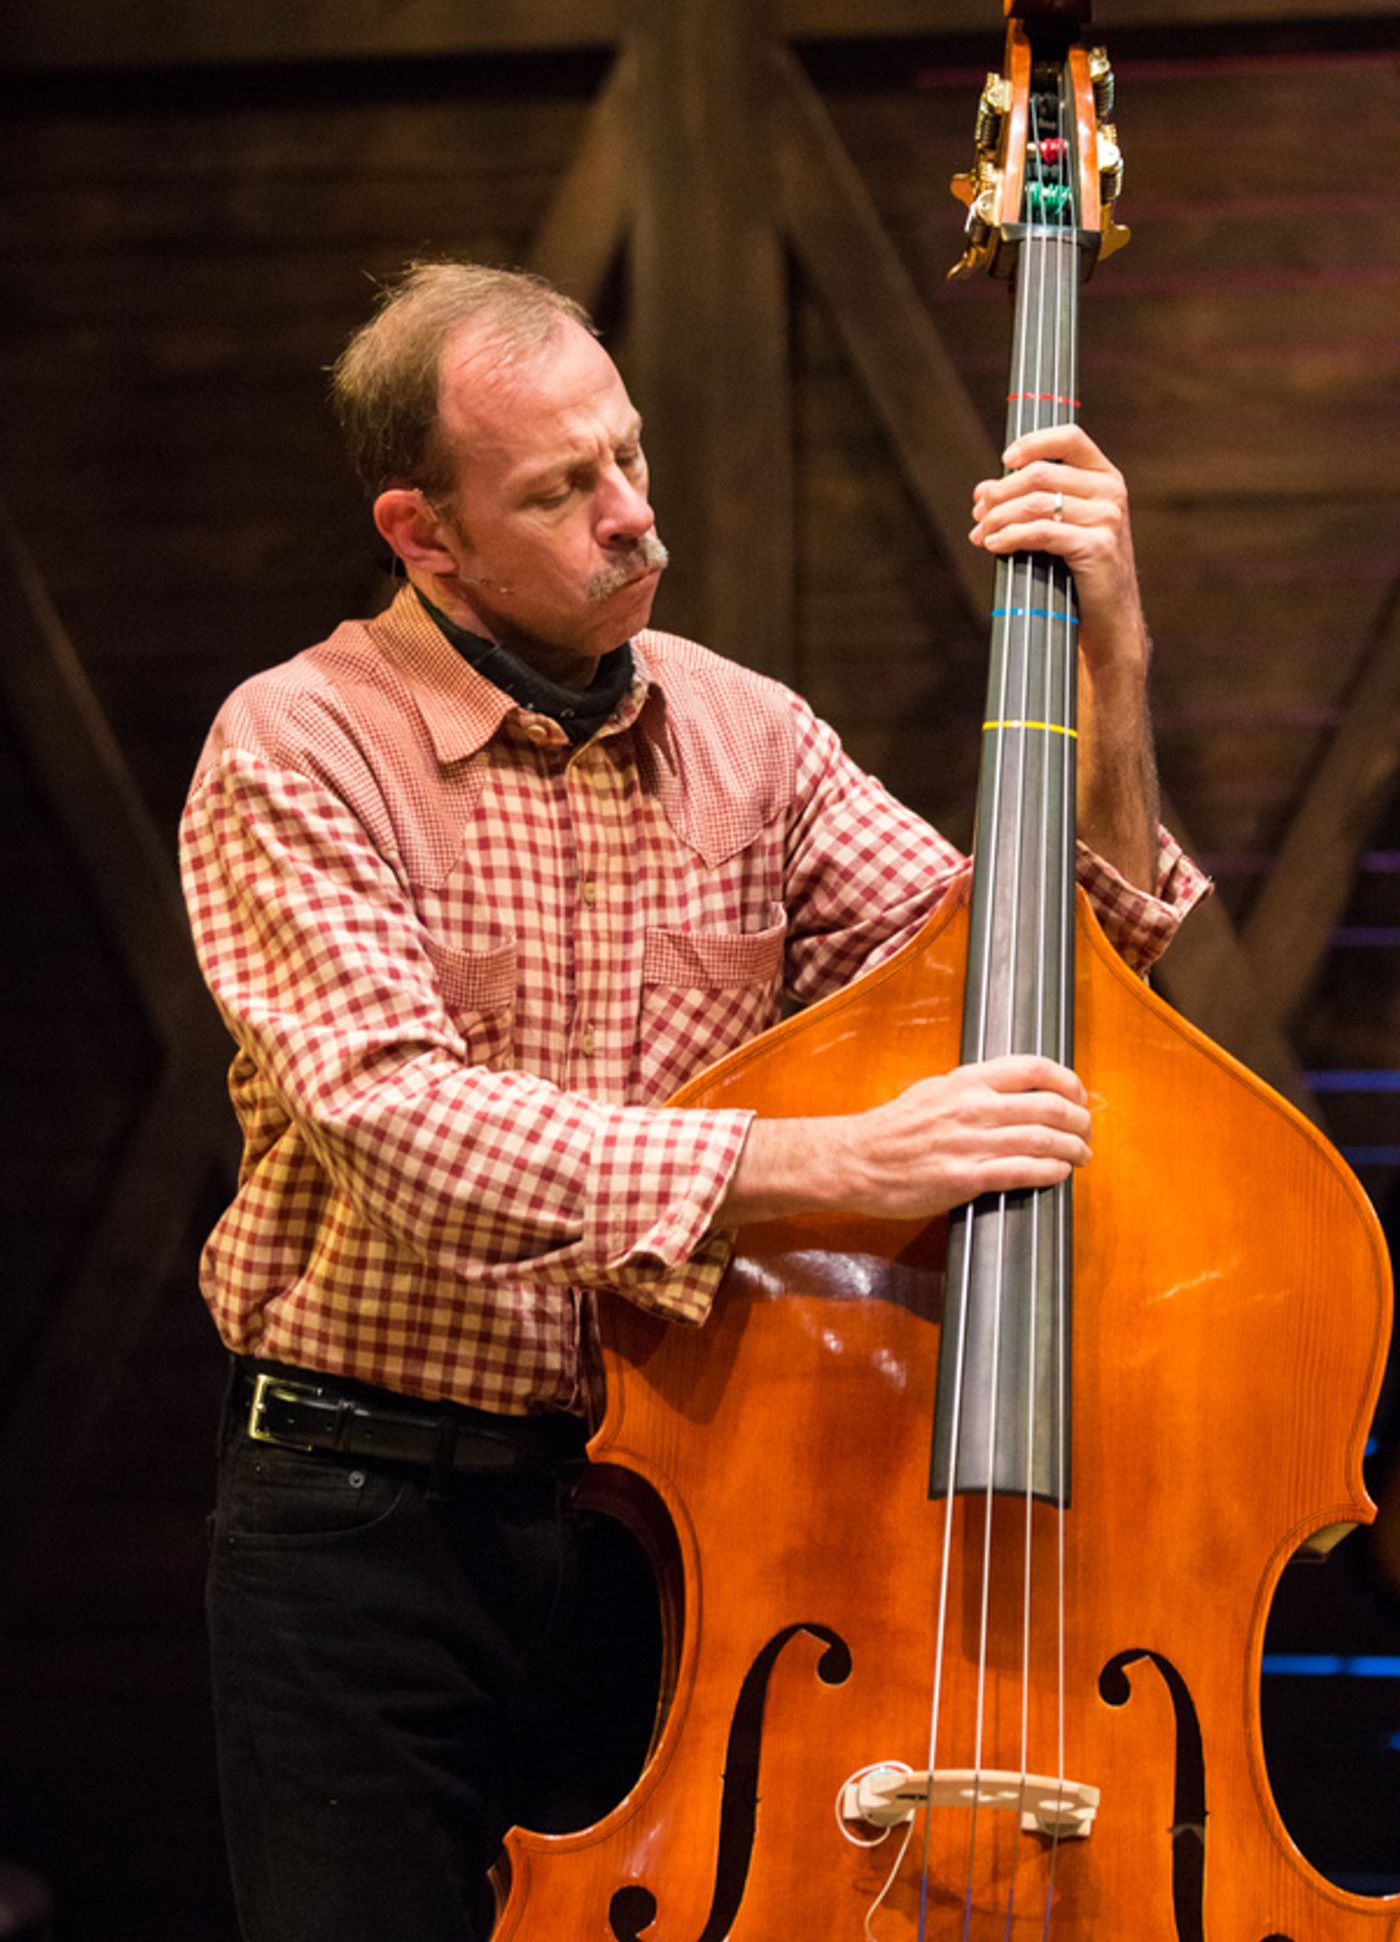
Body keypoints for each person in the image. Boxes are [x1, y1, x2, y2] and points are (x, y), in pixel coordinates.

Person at [179, 260, 1206, 1942]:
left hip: (667, 1524)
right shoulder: (295, 747)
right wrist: (828, 1166)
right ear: (422, 533)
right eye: (562, 490)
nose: (634, 518)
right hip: (364, 1530)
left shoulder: (751, 736)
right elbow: (396, 1123)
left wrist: (1112, 657)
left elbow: (1058, 999)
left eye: (628, 456)